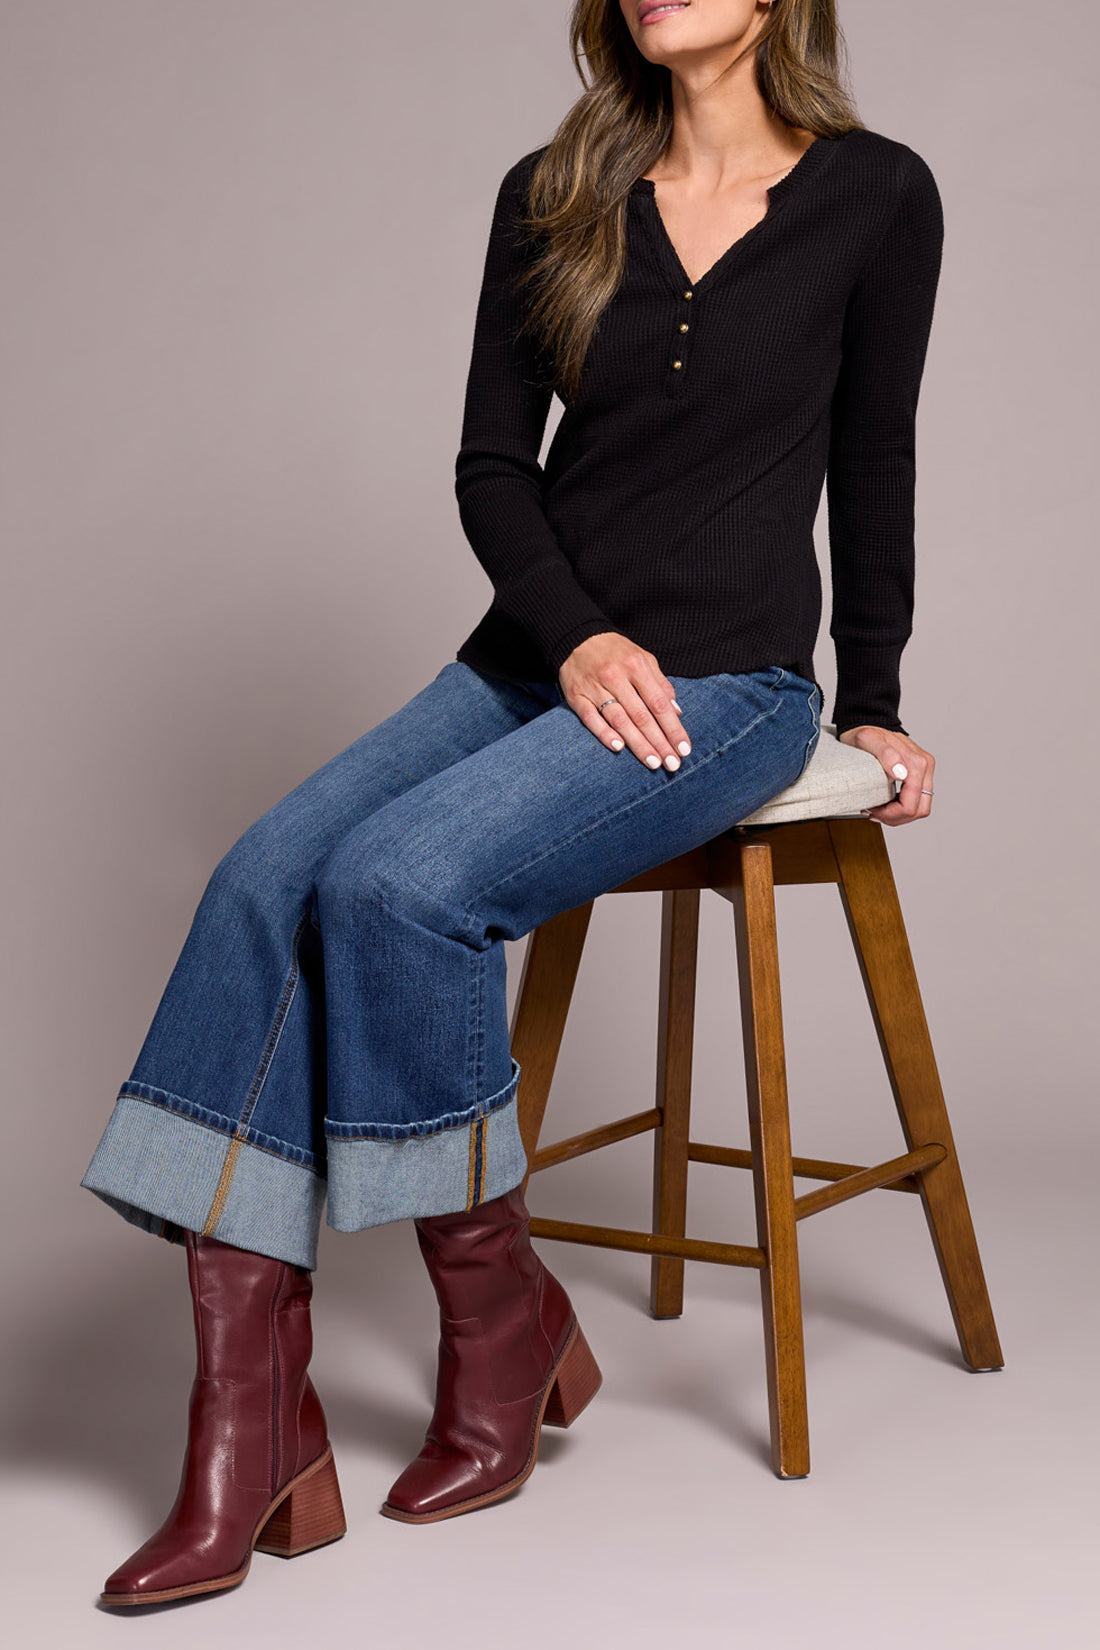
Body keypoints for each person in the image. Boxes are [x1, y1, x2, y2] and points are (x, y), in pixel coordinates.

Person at [80, 0, 941, 1609]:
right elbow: (492, 463)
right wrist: (578, 634)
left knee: (397, 886)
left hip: (727, 688)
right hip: (536, 657)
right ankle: (251, 1422)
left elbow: (871, 454)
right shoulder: (552, 193)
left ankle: (501, 1334)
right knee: (262, 874)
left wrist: (877, 693)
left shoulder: (878, 194)